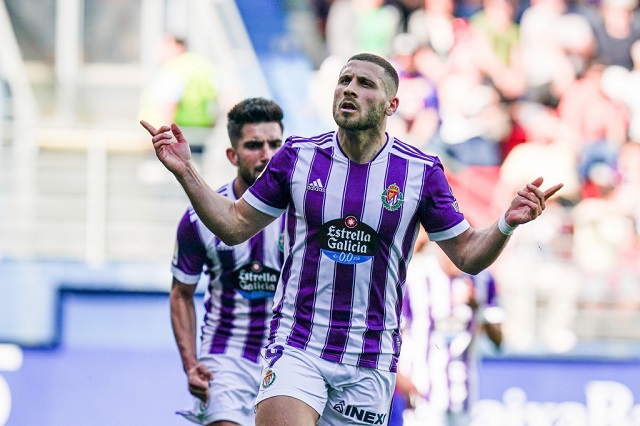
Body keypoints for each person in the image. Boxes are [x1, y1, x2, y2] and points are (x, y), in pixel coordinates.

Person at [141, 52, 563, 426]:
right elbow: (233, 225)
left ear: (392, 105)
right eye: (344, 80)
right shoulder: (298, 157)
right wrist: (186, 171)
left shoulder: (421, 172)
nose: (349, 89)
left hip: (369, 358)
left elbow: (468, 255)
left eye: (365, 83)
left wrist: (506, 223)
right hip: (298, 345)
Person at [169, 97, 285, 426]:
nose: (267, 154)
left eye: (275, 144)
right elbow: (181, 293)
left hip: (289, 359)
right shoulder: (199, 219)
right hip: (226, 356)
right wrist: (190, 363)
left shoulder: (305, 214)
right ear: (232, 155)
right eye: (254, 145)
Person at [398, 232, 504, 426]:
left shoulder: (483, 279)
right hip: (422, 395)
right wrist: (403, 381)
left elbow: (498, 340)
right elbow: (393, 333)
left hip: (464, 396)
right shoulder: (415, 277)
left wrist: (478, 309)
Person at [138, 34, 219, 153]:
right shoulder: (204, 66)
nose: (159, 51)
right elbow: (220, 100)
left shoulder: (173, 68)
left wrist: (161, 138)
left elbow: (169, 106)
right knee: (192, 164)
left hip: (175, 137)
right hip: (200, 136)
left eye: (164, 46)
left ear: (176, 45)